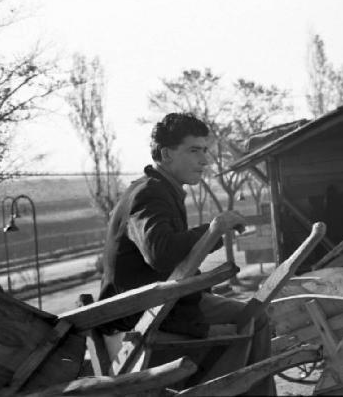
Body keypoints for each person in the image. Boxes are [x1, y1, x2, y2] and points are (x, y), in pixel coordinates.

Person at [98, 113, 276, 394]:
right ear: (167, 154)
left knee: (248, 315)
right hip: (145, 313)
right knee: (254, 318)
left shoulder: (159, 189)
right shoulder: (150, 194)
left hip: (162, 304)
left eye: (205, 150)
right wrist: (214, 230)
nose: (204, 160)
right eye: (194, 151)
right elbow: (161, 253)